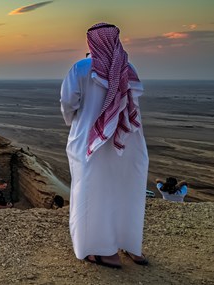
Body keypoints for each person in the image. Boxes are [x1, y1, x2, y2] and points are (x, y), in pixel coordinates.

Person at [60, 23, 149, 269]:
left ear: (92, 42)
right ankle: (130, 245)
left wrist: (76, 122)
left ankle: (96, 250)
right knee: (125, 191)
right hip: (126, 141)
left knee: (89, 192)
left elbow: (68, 103)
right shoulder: (127, 68)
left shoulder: (81, 68)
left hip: (91, 142)